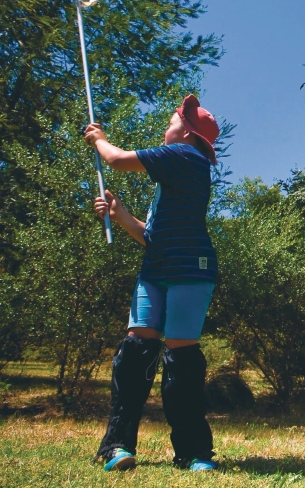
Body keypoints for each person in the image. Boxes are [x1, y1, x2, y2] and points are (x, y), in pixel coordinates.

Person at [85, 95, 221, 472]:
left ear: (187, 133)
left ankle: (194, 452)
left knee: (181, 357)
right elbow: (153, 237)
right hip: (156, 268)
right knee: (135, 350)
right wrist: (121, 215)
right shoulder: (175, 171)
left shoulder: (184, 156)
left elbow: (116, 160)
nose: (166, 127)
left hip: (190, 270)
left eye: (172, 122)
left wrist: (98, 139)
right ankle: (117, 447)